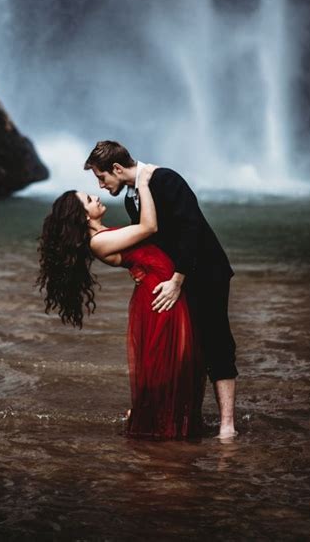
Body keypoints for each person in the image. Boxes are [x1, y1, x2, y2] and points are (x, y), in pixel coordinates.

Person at [37, 165, 205, 440]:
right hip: (159, 298)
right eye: (89, 200)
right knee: (166, 365)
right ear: (82, 216)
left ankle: (165, 424)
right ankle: (160, 430)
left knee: (178, 362)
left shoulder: (104, 234)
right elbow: (149, 227)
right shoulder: (99, 241)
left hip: (161, 292)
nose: (97, 197)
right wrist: (142, 181)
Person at [84, 141, 238, 439]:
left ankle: (227, 426)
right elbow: (148, 242)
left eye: (102, 178)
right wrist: (143, 270)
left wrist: (178, 279)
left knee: (217, 341)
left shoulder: (165, 179)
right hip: (174, 279)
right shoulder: (132, 198)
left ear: (116, 169)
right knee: (191, 349)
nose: (102, 186)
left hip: (205, 273)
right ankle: (181, 416)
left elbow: (191, 227)